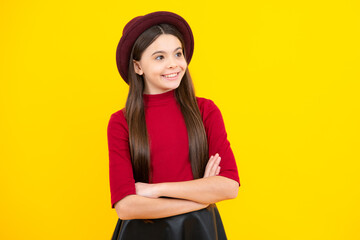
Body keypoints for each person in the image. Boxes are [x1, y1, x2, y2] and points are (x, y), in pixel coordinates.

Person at [107, 11, 240, 240]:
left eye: (178, 54)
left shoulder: (205, 111)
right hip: (141, 234)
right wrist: (202, 195)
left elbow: (229, 187)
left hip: (199, 230)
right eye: (159, 57)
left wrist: (155, 190)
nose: (173, 64)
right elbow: (126, 207)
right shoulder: (121, 123)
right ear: (138, 66)